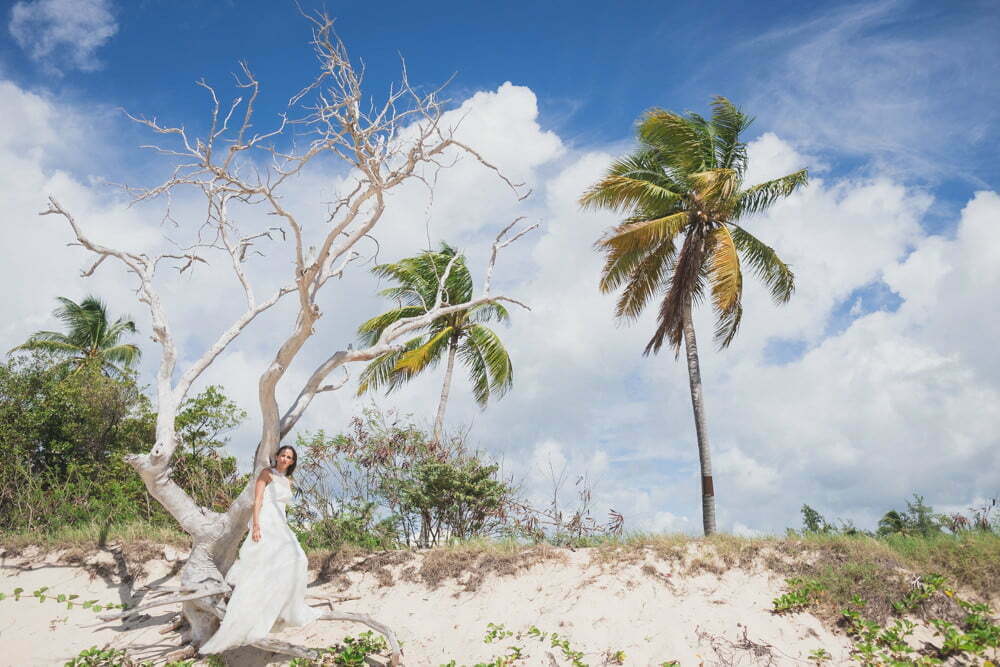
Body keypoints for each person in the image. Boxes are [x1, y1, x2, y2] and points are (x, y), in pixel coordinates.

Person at [199, 445, 320, 654]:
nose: (285, 459)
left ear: (292, 462)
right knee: (264, 564)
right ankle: (255, 612)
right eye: (283, 455)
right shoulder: (267, 473)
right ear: (277, 456)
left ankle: (283, 607)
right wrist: (256, 525)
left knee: (298, 559)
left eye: (289, 457)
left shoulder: (288, 481)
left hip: (281, 523)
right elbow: (258, 500)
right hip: (265, 520)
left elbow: (282, 507)